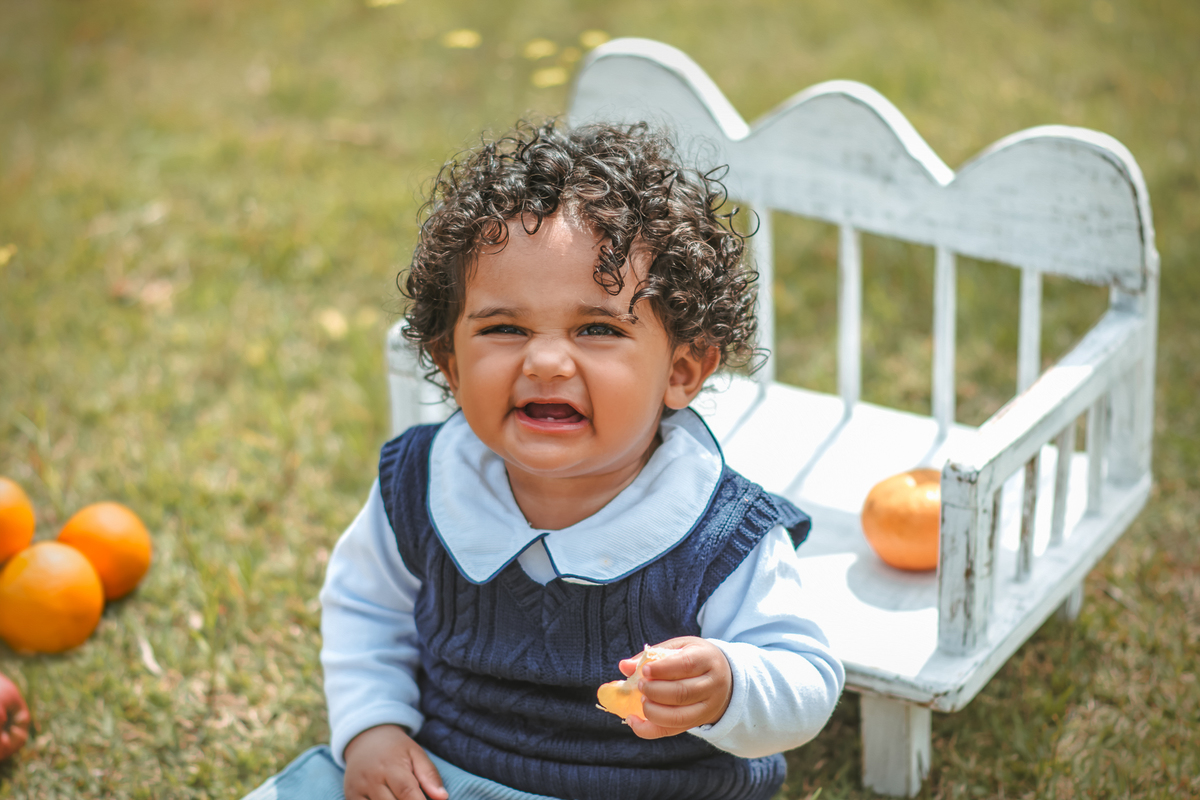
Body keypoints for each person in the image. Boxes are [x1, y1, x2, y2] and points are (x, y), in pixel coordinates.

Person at [245, 120, 844, 800]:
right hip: (443, 774)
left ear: (681, 370)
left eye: (597, 329)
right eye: (504, 328)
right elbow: (365, 608)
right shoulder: (422, 485)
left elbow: (806, 677)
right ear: (450, 364)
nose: (548, 361)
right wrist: (371, 729)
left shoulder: (720, 535)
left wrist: (730, 683)